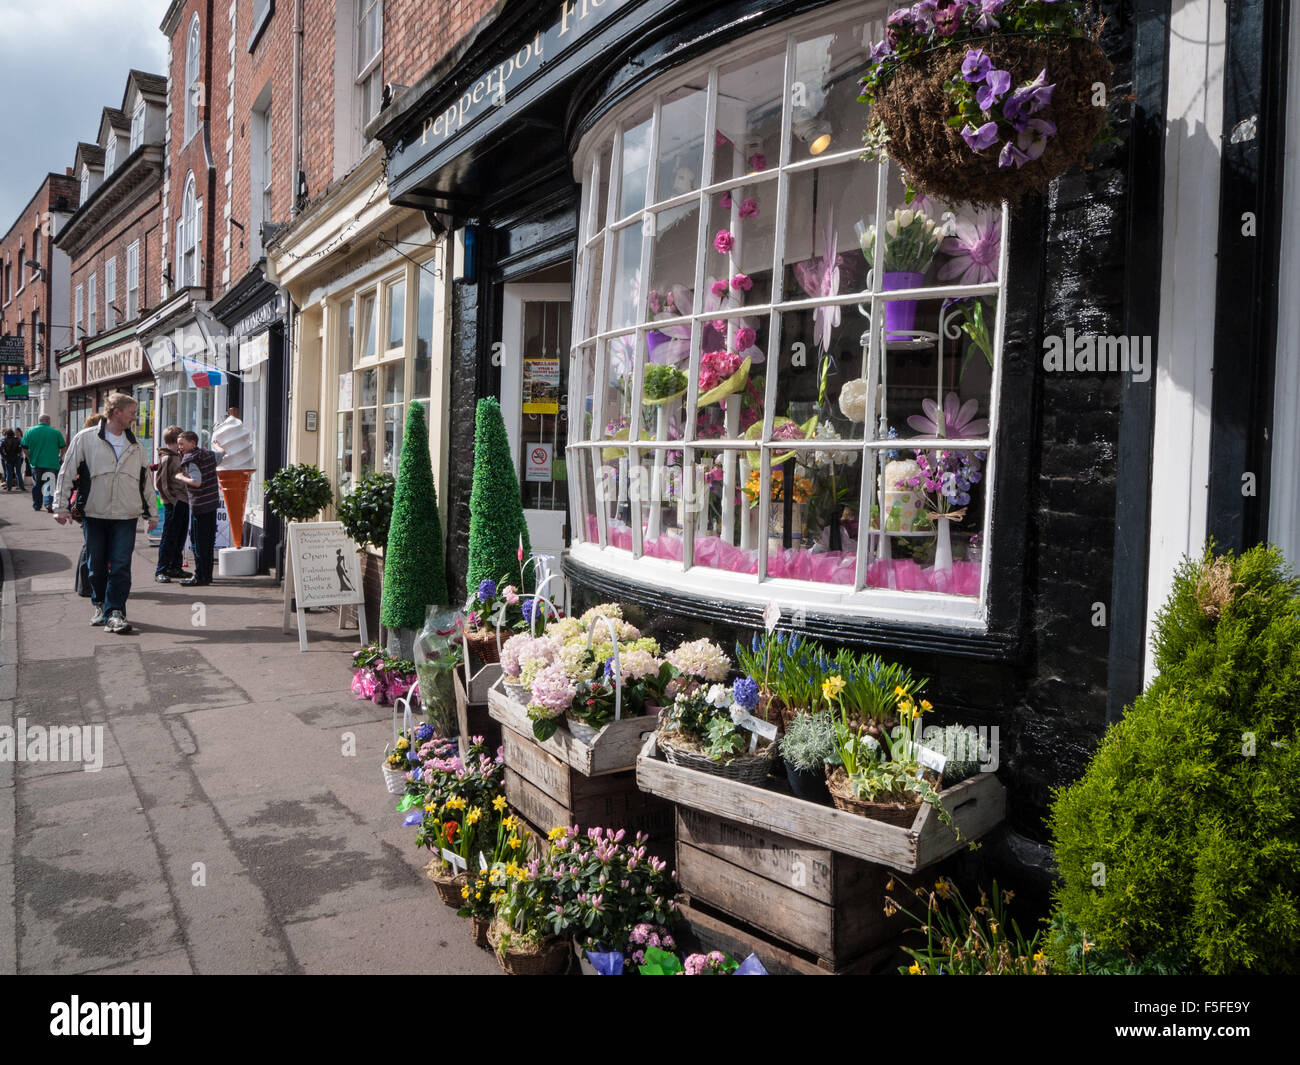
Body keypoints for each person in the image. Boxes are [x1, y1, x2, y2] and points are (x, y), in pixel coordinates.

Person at [53, 393, 157, 634]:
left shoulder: (136, 444)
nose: (135, 416)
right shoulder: (85, 439)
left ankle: (116, 611)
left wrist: (152, 514)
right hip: (95, 513)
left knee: (121, 564)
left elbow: (146, 482)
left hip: (126, 514)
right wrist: (60, 507)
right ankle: (100, 605)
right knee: (95, 566)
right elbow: (66, 472)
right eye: (132, 412)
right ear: (116, 412)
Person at [174, 430, 219, 587]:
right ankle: (207, 575)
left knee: (198, 542)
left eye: (182, 444)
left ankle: (200, 576)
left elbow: (196, 482)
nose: (179, 447)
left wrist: (181, 477)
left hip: (200, 505)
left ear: (192, 443)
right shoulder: (208, 455)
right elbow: (222, 454)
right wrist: (217, 446)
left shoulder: (191, 459)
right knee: (208, 542)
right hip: (212, 503)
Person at [153, 425, 189, 583]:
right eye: (179, 442)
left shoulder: (179, 456)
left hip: (183, 500)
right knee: (169, 537)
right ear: (174, 441)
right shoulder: (167, 458)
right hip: (173, 502)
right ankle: (161, 569)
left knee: (179, 536)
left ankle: (175, 566)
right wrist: (172, 500)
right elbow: (161, 483)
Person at [22, 414, 66, 512]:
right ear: (48, 420)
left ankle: (37, 505)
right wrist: (60, 456)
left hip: (36, 463)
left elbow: (24, 447)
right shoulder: (55, 432)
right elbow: (63, 447)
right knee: (49, 484)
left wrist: (30, 457)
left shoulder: (30, 431)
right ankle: (48, 503)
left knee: (37, 484)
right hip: (52, 463)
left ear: (40, 421)